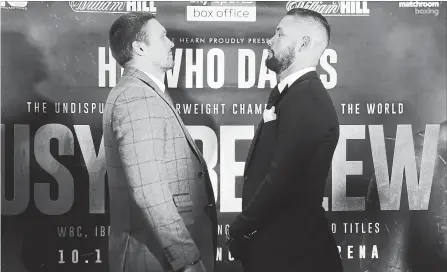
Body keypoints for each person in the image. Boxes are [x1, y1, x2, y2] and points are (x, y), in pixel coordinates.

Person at [227, 8, 343, 272]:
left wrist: (240, 228)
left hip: (295, 256)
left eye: (279, 33)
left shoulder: (306, 99)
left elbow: (281, 178)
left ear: (303, 43)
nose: (269, 40)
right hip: (279, 250)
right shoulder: (294, 95)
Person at [103, 11, 217, 272]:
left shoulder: (145, 93)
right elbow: (149, 190)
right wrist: (187, 260)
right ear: (140, 47)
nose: (172, 43)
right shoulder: (137, 96)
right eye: (163, 37)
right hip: (153, 258)